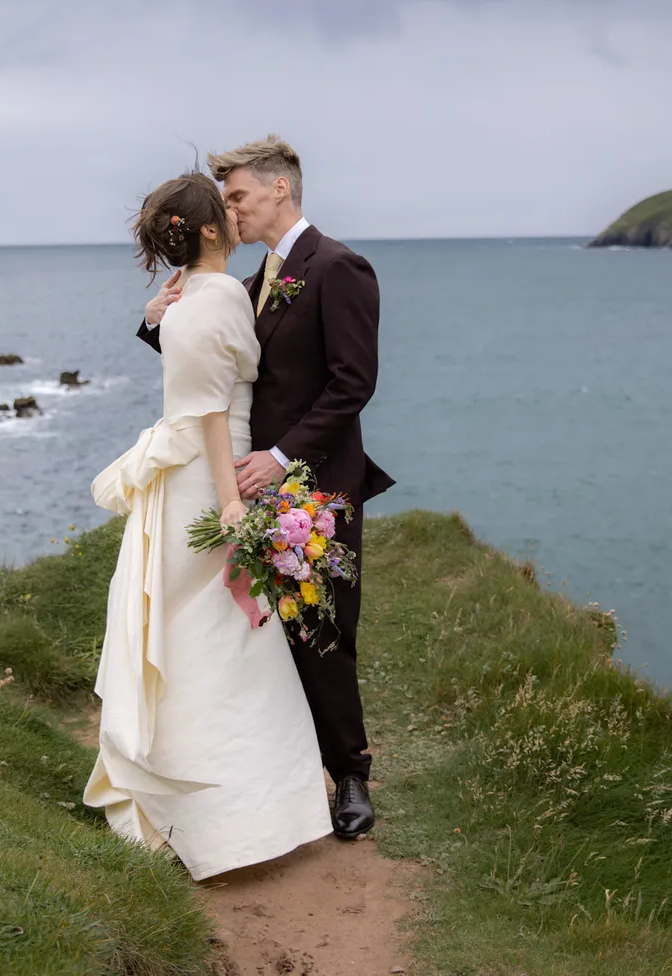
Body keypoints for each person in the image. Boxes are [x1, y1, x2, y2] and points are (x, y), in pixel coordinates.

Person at [138, 136, 394, 839]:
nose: (231, 210)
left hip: (314, 486)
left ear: (280, 189)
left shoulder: (341, 267)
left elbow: (353, 384)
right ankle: (281, 776)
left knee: (324, 626)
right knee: (266, 633)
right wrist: (157, 318)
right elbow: (213, 367)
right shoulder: (252, 283)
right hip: (250, 486)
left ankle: (350, 777)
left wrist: (280, 456)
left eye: (239, 196)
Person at [83, 172, 332, 880]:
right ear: (213, 232)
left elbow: (197, 388)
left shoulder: (188, 297)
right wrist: (232, 501)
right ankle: (230, 813)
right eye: (225, 207)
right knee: (220, 629)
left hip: (189, 474)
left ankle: (207, 796)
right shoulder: (218, 294)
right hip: (208, 474)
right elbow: (211, 414)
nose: (235, 208)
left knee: (201, 624)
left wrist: (155, 316)